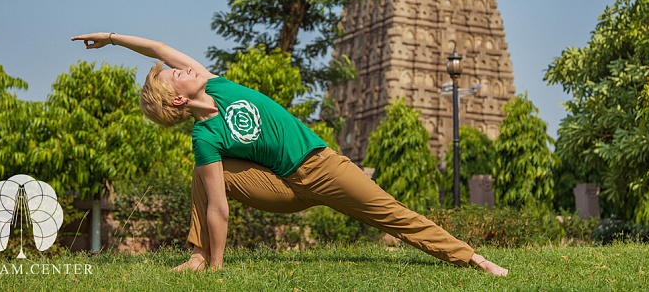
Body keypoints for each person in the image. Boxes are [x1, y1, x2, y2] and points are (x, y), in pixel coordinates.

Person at [71, 32, 509, 276]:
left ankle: (471, 258)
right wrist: (220, 267)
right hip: (281, 188)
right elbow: (218, 207)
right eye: (175, 76)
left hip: (322, 166)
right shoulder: (205, 138)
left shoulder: (214, 83)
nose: (182, 67)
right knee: (203, 176)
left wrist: (111, 38)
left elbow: (158, 48)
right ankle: (200, 259)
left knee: (389, 212)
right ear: (178, 102)